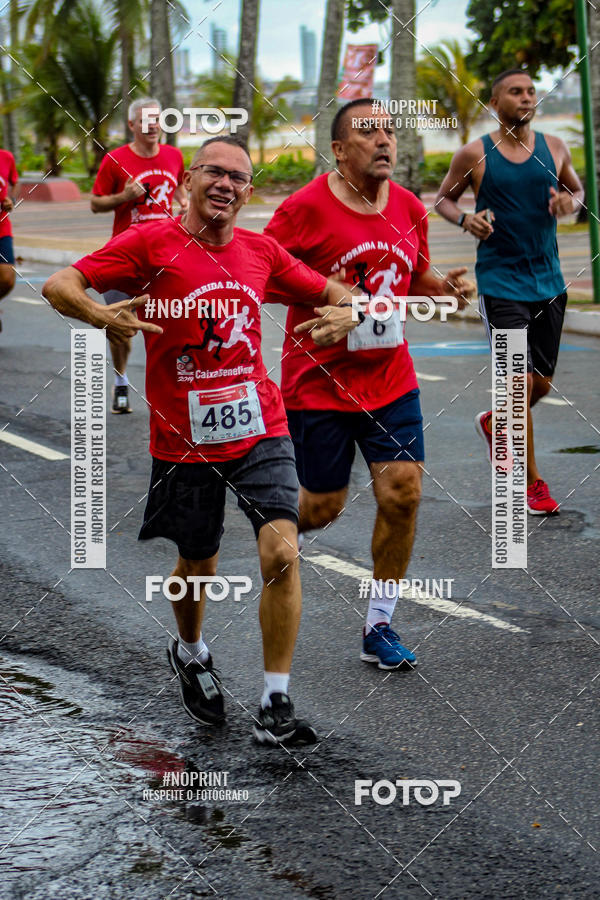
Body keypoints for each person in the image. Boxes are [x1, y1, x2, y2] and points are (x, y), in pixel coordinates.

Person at [44, 136, 355, 745]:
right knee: (197, 563)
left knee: (282, 554)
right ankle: (189, 649)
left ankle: (275, 701)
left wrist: (349, 309)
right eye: (215, 171)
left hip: (260, 423)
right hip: (183, 437)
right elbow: (61, 284)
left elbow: (334, 293)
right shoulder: (149, 243)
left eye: (239, 177)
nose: (227, 184)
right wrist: (100, 315)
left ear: (247, 191)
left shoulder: (260, 251)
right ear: (188, 179)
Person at [264, 99, 473, 670]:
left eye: (389, 130)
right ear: (338, 149)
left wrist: (442, 291)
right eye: (368, 132)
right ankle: (275, 527)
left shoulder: (407, 206)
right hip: (318, 383)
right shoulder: (303, 209)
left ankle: (379, 624)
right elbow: (260, 272)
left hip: (390, 379)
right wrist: (324, 292)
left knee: (402, 494)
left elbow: (414, 273)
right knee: (324, 506)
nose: (384, 140)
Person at [435, 69, 584, 515]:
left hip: (549, 282)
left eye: (531, 91)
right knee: (517, 383)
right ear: (494, 103)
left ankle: (497, 422)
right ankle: (532, 481)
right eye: (515, 92)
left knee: (540, 384)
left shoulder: (555, 148)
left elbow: (576, 189)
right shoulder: (473, 155)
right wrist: (466, 220)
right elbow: (444, 199)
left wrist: (568, 203)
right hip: (501, 283)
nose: (526, 98)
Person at [91, 97, 187, 413]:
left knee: (177, 323)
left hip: (167, 256)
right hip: (126, 254)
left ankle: (180, 390)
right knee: (121, 324)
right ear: (132, 125)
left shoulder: (174, 156)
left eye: (156, 120)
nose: (152, 126)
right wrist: (124, 196)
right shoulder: (115, 160)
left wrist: (185, 203)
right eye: (145, 121)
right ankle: (120, 382)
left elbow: (180, 191)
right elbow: (96, 204)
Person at [0, 146, 19, 330]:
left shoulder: (6, 157)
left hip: (2, 228)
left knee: (7, 278)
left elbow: (14, 182)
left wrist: (10, 199)